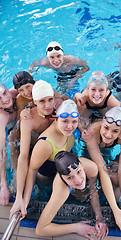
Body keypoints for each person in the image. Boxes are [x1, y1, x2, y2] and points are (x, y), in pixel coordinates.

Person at [10, 80, 67, 216]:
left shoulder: (60, 108)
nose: (48, 106)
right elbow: (23, 156)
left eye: (50, 100)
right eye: (42, 101)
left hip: (59, 150)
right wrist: (19, 197)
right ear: (34, 101)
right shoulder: (28, 118)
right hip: (40, 150)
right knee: (43, 180)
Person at [33, 151, 108, 239]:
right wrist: (76, 228)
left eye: (79, 171)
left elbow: (93, 191)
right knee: (43, 183)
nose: (78, 180)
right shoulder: (61, 190)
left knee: (83, 195)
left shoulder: (91, 167)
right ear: (63, 178)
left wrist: (99, 218)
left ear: (82, 166)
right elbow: (41, 229)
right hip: (46, 171)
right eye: (69, 177)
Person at [82, 106, 121, 232]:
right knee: (91, 179)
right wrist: (101, 217)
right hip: (90, 151)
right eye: (106, 128)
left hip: (105, 151)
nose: (109, 134)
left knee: (116, 179)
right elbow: (102, 169)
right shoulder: (93, 131)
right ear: (102, 124)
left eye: (115, 131)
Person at [74, 70, 121, 138]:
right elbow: (75, 117)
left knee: (110, 120)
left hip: (103, 107)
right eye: (93, 89)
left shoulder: (110, 100)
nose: (97, 94)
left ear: (106, 91)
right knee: (84, 124)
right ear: (88, 89)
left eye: (101, 90)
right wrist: (82, 130)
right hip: (88, 107)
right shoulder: (83, 99)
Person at [0, 83, 18, 205]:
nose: (5, 99)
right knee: (11, 143)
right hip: (10, 130)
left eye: (4, 93)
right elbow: (2, 151)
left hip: (19, 125)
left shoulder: (15, 93)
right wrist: (3, 185)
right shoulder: (2, 117)